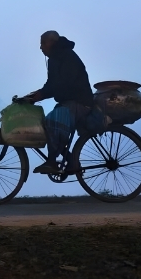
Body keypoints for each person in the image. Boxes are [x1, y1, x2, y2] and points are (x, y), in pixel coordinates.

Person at [22, 30, 93, 175]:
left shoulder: (67, 56)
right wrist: (35, 96)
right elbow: (52, 85)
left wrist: (41, 94)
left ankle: (52, 161)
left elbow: (63, 83)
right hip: (68, 103)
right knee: (48, 125)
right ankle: (71, 160)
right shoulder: (54, 60)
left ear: (53, 42)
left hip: (80, 102)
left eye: (43, 43)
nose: (41, 47)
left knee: (52, 121)